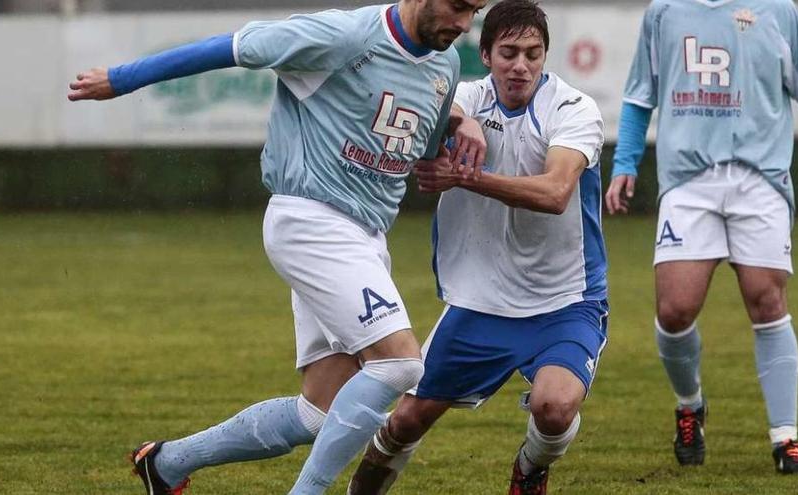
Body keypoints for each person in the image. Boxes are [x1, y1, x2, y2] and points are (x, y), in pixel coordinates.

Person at [68, 0, 488, 493]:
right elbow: (230, 47)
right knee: (400, 364)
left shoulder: (446, 62)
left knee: (319, 413)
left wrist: (464, 126)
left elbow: (429, 142)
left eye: (474, 11)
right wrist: (122, 78)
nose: (463, 24)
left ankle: (168, 463)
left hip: (365, 237)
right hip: (311, 219)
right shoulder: (342, 35)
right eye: (458, 7)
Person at [345, 1, 607, 493]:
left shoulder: (574, 109)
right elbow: (430, 102)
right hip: (479, 303)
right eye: (508, 53)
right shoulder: (460, 95)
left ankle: (530, 467)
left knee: (555, 407)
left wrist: (465, 178)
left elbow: (554, 194)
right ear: (484, 54)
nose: (521, 66)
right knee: (403, 423)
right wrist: (455, 123)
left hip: (565, 301)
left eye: (533, 54)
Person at [606, 0, 798, 475]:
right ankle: (690, 405)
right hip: (688, 181)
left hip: (760, 181)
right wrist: (624, 163)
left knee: (767, 301)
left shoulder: (780, 12)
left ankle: (786, 439)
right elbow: (640, 96)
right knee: (674, 309)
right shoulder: (663, 12)